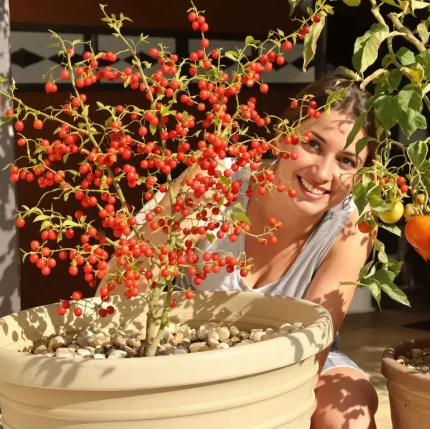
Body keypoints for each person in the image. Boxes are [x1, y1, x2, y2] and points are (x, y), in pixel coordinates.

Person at [121, 75, 380, 428]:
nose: (323, 173)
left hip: (290, 364)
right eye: (313, 144)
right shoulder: (213, 185)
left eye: (346, 161)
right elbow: (118, 291)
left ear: (360, 175)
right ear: (280, 136)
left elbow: (313, 352)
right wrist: (167, 225)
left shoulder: (350, 225)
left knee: (348, 410)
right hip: (187, 354)